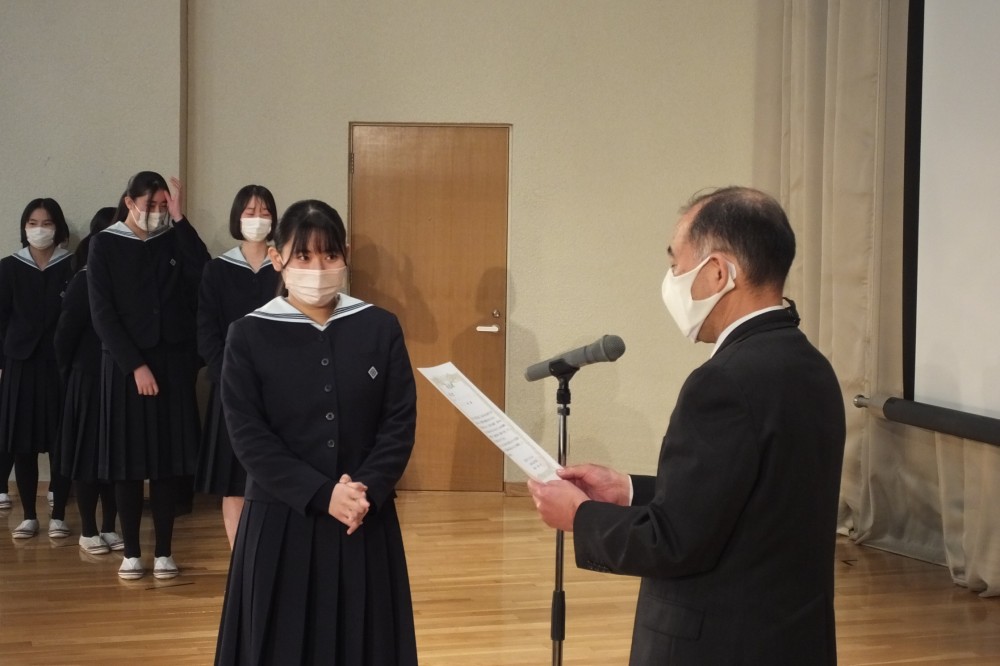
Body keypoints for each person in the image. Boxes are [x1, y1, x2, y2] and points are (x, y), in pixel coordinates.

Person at [528, 186, 846, 665]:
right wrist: (628, 490)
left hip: (718, 641)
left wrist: (580, 517)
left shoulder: (722, 382)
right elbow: (747, 499)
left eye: (676, 263)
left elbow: (673, 542)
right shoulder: (812, 366)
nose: (672, 278)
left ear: (718, 272)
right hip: (791, 637)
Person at [215, 199, 418, 665]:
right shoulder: (248, 334)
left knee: (365, 642)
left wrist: (365, 489)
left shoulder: (379, 327)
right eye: (303, 256)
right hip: (282, 521)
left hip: (364, 517)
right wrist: (321, 494)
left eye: (329, 255)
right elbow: (248, 436)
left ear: (345, 256)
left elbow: (399, 423)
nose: (317, 268)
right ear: (277, 259)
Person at [88, 171, 209, 580]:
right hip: (126, 367)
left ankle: (163, 551)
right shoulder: (105, 243)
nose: (156, 212)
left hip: (172, 363)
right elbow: (102, 313)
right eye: (151, 205)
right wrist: (134, 364)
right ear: (129, 201)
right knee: (127, 461)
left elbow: (203, 273)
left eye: (163, 205)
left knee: (165, 462)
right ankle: (132, 552)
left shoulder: (172, 237)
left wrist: (180, 218)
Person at [195, 184, 280, 549]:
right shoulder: (217, 270)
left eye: (263, 213)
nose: (257, 220)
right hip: (230, 388)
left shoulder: (285, 268)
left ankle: (272, 552)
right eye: (249, 212)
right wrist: (225, 375)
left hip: (279, 391)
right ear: (237, 218)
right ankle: (240, 556)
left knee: (275, 475)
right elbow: (206, 331)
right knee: (232, 481)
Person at [0, 198, 75, 539]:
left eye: (46, 222)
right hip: (21, 364)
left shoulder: (73, 267)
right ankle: (29, 514)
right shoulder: (8, 268)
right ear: (24, 227)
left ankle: (58, 514)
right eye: (32, 222)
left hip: (61, 366)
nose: (39, 229)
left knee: (62, 439)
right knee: (23, 443)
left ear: (58, 228)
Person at [54, 206, 123, 555]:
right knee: (87, 456)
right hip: (88, 379)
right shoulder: (84, 278)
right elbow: (64, 334)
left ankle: (110, 525)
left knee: (114, 456)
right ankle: (88, 529)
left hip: (117, 379)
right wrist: (71, 374)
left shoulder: (123, 277)